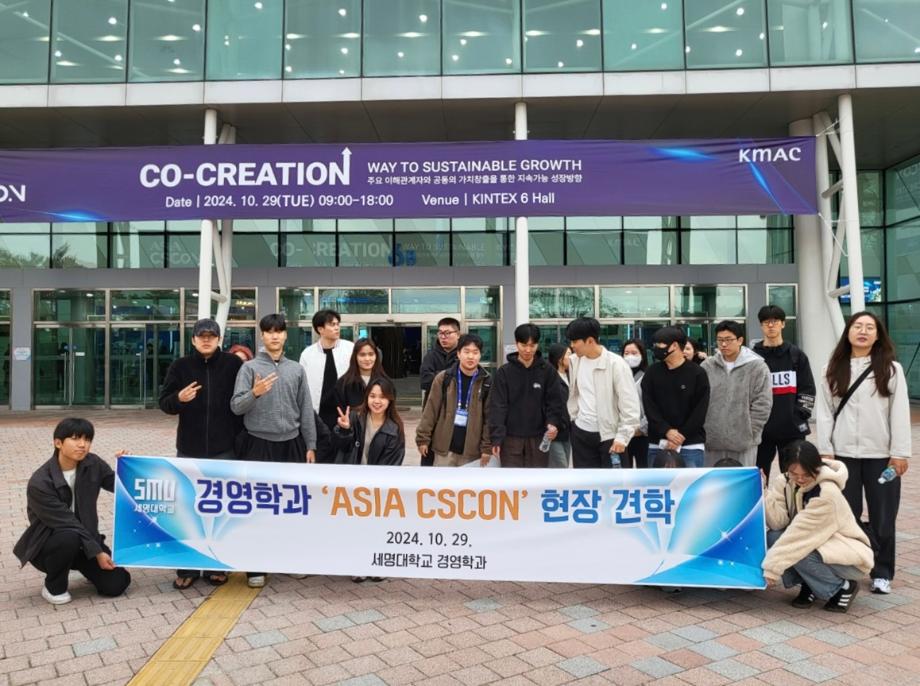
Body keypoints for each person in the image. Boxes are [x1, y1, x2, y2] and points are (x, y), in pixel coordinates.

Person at [816, 310, 911, 595]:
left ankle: (882, 572)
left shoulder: (891, 369)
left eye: (870, 327)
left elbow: (899, 412)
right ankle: (853, 567)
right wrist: (826, 450)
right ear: (848, 332)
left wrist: (899, 453)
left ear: (878, 335)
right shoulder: (832, 369)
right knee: (847, 515)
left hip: (881, 455)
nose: (863, 331)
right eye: (857, 326)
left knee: (884, 516)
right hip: (843, 456)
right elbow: (825, 413)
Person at [232, 313, 317, 589]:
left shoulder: (296, 369)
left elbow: (306, 409)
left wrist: (311, 444)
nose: (274, 336)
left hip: (292, 444)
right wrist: (254, 392)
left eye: (279, 331)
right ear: (262, 336)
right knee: (257, 509)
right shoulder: (248, 369)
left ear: (285, 335)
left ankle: (291, 560)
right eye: (269, 331)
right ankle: (256, 567)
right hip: (258, 444)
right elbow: (236, 406)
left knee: (291, 508)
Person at [159, 317, 242, 589]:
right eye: (201, 336)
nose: (206, 340)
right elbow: (164, 403)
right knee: (189, 509)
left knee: (222, 510)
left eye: (211, 336)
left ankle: (217, 565)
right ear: (193, 340)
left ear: (220, 339)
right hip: (189, 449)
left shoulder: (233, 365)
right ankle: (188, 567)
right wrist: (178, 399)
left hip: (224, 449)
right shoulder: (180, 366)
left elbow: (242, 402)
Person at [13, 418, 131, 605]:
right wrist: (98, 553)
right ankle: (54, 587)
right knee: (69, 536)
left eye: (87, 439)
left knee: (117, 584)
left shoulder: (93, 464)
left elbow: (119, 486)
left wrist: (127, 467)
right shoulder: (40, 482)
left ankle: (87, 569)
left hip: (86, 541)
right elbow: (68, 522)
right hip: (51, 545)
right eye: (75, 439)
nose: (82, 445)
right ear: (58, 443)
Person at [763, 441, 872, 613]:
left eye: (806, 474)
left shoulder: (826, 493)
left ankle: (842, 587)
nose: (800, 479)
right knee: (773, 536)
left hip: (848, 556)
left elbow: (800, 537)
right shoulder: (784, 482)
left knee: (800, 549)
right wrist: (763, 490)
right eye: (794, 473)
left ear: (817, 467)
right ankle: (810, 584)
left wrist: (772, 568)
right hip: (820, 545)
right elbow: (779, 523)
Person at [565, 317, 640, 470]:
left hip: (610, 436)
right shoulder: (574, 361)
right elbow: (575, 394)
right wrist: (574, 419)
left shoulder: (616, 364)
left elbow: (630, 406)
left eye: (575, 341)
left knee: (613, 482)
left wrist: (622, 437)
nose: (572, 346)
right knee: (585, 482)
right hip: (581, 433)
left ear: (590, 341)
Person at [489, 323, 566, 469]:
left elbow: (555, 402)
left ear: (538, 344)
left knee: (536, 478)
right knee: (512, 479)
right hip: (510, 438)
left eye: (532, 345)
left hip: (539, 437)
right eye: (524, 345)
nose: (528, 350)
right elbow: (498, 406)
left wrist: (552, 422)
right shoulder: (504, 372)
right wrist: (496, 437)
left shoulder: (547, 371)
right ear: (516, 343)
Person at [753, 305, 817, 480]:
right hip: (761, 430)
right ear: (761, 325)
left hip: (791, 430)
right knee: (757, 477)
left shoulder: (797, 355)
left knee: (794, 476)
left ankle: (791, 500)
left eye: (775, 321)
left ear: (783, 324)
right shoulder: (753, 357)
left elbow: (808, 388)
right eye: (766, 322)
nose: (770, 325)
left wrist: (798, 415)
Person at [702, 320, 772, 467]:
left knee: (741, 479)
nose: (723, 344)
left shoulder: (757, 366)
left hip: (744, 442)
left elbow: (763, 403)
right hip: (712, 440)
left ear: (740, 340)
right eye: (720, 340)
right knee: (713, 480)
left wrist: (751, 432)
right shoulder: (708, 366)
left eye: (728, 340)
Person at [416, 334, 492, 467]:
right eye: (466, 352)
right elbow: (431, 410)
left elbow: (489, 418)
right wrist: (423, 438)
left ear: (480, 355)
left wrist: (487, 447)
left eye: (475, 352)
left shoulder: (487, 382)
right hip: (444, 450)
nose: (471, 356)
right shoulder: (443, 378)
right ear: (458, 353)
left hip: (471, 452)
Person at [641, 327, 710, 469]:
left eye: (660, 344)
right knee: (657, 483)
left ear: (674, 346)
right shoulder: (651, 373)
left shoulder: (698, 373)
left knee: (691, 483)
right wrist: (666, 431)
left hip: (690, 444)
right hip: (658, 443)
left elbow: (700, 410)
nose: (656, 348)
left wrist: (681, 435)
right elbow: (649, 407)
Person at [299, 309, 354, 437]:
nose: (337, 328)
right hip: (318, 413)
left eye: (338, 324)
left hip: (345, 412)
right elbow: (301, 386)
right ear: (320, 329)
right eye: (332, 324)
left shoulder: (350, 349)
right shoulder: (308, 354)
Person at [335, 338, 386, 412]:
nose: (367, 359)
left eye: (371, 354)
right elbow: (340, 413)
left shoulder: (385, 382)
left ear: (376, 356)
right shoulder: (343, 384)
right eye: (362, 355)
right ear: (355, 357)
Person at [621, 338, 649, 468]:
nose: (630, 356)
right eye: (626, 353)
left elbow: (652, 407)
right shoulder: (619, 376)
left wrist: (642, 428)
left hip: (642, 434)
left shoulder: (647, 377)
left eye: (634, 353)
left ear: (642, 355)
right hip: (622, 435)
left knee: (644, 471)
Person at [546, 343, 572, 469]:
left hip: (568, 431)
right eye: (569, 354)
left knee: (565, 465)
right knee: (561, 467)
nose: (572, 358)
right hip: (555, 432)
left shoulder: (570, 376)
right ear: (559, 358)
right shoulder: (550, 378)